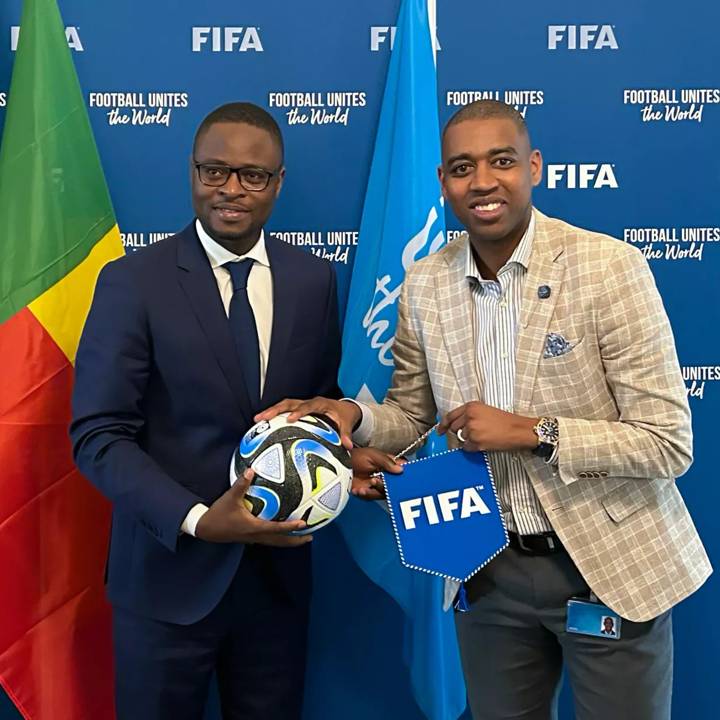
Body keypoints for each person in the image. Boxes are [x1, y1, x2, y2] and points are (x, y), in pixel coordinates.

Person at [258, 100, 711, 720]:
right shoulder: (426, 282)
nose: (483, 182)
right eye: (463, 167)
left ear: (535, 167)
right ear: (444, 183)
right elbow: (412, 419)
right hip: (484, 568)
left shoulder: (608, 267)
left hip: (607, 570)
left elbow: (666, 443)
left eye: (501, 161)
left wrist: (532, 433)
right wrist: (349, 418)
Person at [70, 102, 342, 720]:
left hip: (276, 588)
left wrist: (345, 466)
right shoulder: (132, 282)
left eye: (253, 175)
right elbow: (98, 435)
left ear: (278, 184)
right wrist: (196, 518)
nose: (231, 190)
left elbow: (312, 415)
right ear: (192, 173)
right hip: (166, 584)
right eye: (214, 171)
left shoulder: (314, 281)